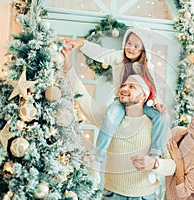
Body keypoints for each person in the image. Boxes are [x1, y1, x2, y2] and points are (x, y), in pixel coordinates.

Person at [63, 65, 176, 199]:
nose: (124, 89)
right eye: (124, 85)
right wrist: (68, 68)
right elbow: (83, 99)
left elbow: (172, 167)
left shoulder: (157, 125)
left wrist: (154, 163)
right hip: (112, 195)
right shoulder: (110, 118)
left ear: (144, 95)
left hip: (145, 197)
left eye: (132, 87)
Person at [63, 26, 170, 162]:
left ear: (143, 50)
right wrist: (80, 43)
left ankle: (155, 154)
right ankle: (98, 156)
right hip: (121, 101)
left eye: (136, 46)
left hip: (144, 104)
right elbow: (99, 53)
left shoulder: (147, 67)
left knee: (163, 117)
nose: (130, 48)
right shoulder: (118, 58)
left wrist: (158, 104)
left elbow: (153, 89)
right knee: (111, 115)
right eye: (129, 43)